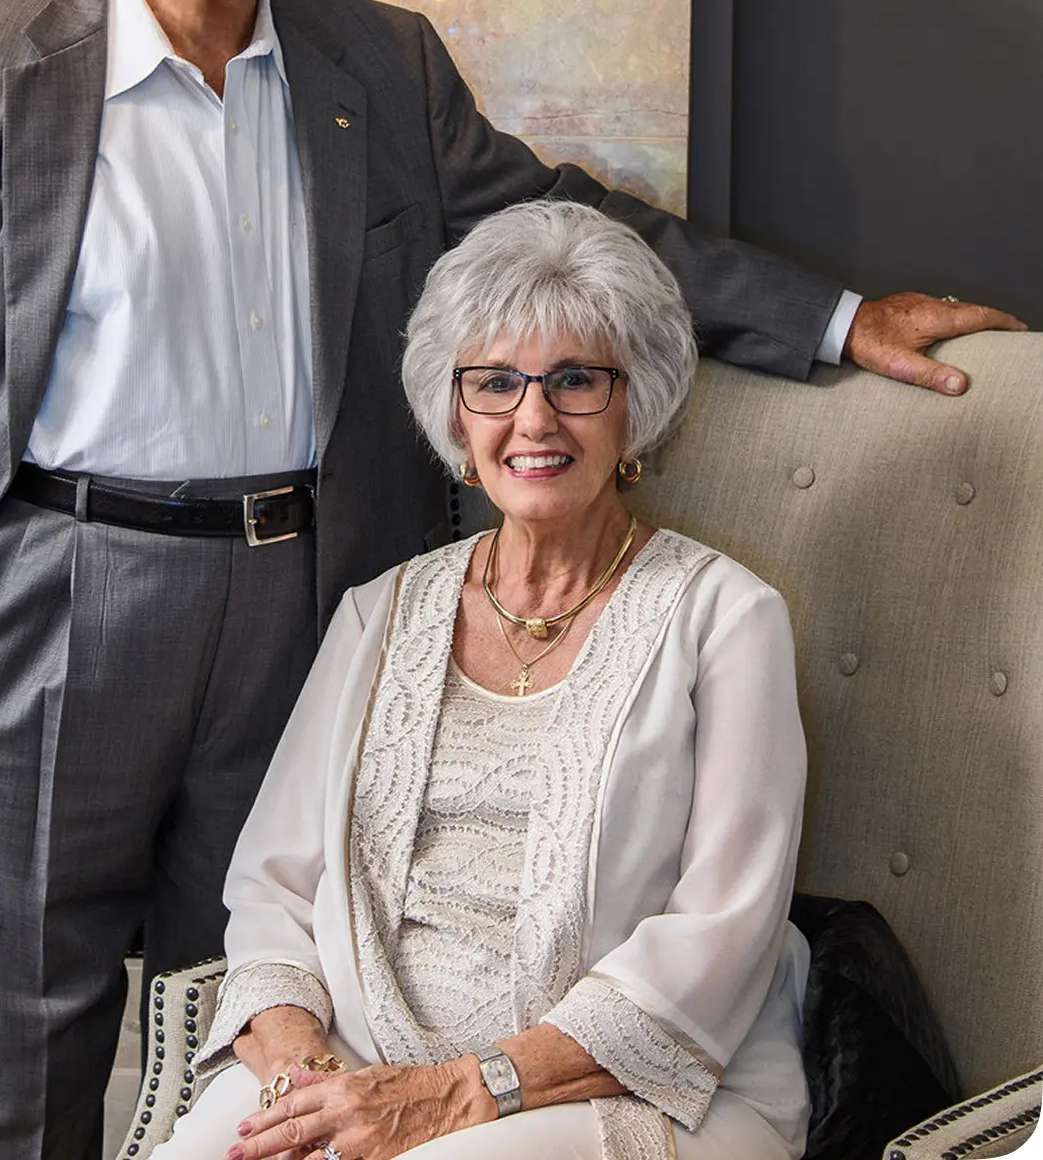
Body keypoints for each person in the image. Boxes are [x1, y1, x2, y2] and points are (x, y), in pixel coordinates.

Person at [0, 0, 1019, 1160]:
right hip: (39, 598)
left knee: (259, 1029)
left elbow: (576, 232)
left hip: (307, 607)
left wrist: (838, 318)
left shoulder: (384, 67)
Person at [156, 200, 809, 1160]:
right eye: (495, 383)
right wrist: (310, 1083)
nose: (533, 419)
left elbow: (723, 928)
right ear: (459, 422)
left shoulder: (728, 619)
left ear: (638, 409)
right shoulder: (380, 613)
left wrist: (452, 1094)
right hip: (356, 1057)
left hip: (622, 1086)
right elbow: (275, 890)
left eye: (576, 380)